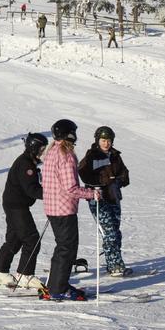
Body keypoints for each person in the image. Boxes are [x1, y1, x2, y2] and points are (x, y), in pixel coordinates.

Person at [40, 119, 99, 301]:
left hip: (52, 207)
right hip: (63, 209)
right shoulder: (66, 155)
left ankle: (57, 284)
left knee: (62, 248)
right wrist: (92, 193)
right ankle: (58, 288)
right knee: (67, 249)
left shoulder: (51, 152)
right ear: (69, 134)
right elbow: (70, 188)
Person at [0, 132, 48, 289]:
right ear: (33, 148)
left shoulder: (28, 162)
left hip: (14, 204)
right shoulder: (26, 165)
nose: (43, 152)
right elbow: (32, 190)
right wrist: (53, 193)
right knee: (32, 239)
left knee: (15, 239)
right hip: (16, 206)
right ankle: (24, 275)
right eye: (41, 148)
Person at [79, 126, 132, 276]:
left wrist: (118, 181)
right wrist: (100, 182)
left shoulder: (115, 155)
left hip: (113, 196)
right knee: (109, 232)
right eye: (103, 140)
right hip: (98, 198)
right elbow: (82, 173)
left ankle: (114, 263)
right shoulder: (92, 156)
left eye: (109, 140)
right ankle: (115, 265)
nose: (106, 143)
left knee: (116, 231)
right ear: (97, 140)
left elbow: (125, 174)